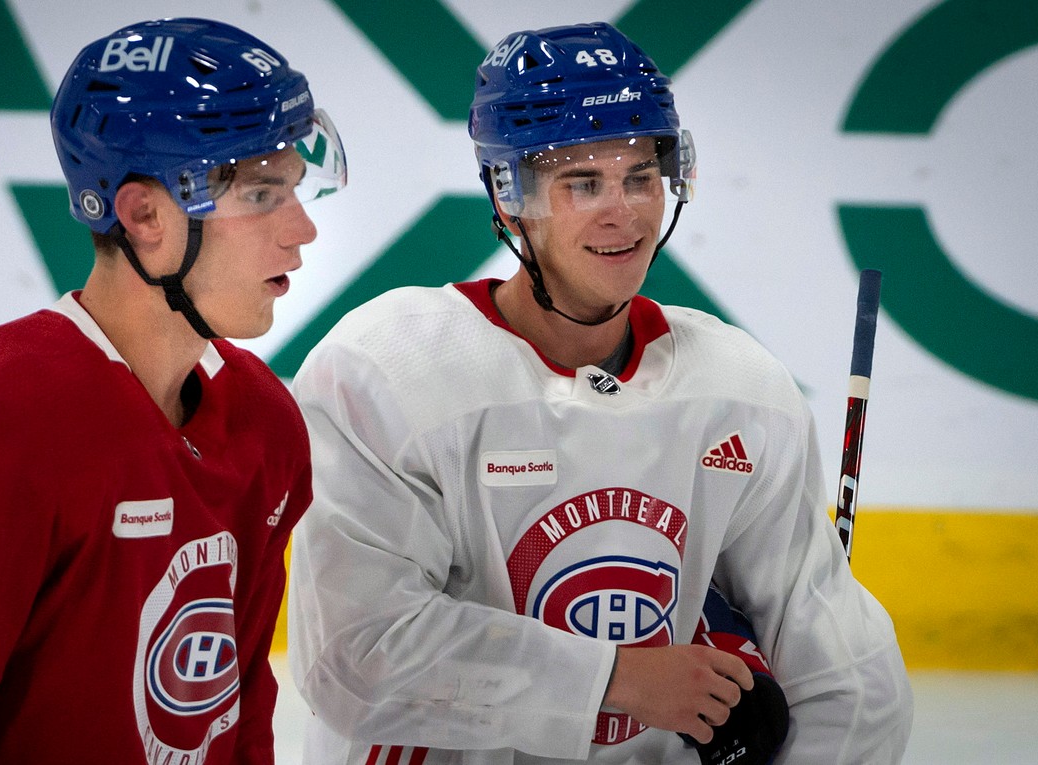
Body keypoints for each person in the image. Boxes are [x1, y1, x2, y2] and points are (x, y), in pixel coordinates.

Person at [286, 20, 911, 764]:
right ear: (509, 195)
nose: (625, 212)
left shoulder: (741, 389)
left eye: (641, 176)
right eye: (583, 182)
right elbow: (357, 658)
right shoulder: (385, 370)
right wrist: (617, 677)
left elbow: (850, 679)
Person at [0, 17, 345, 764]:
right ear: (144, 214)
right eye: (260, 193)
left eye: (296, 189)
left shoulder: (266, 422)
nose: (302, 229)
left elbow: (233, 712)